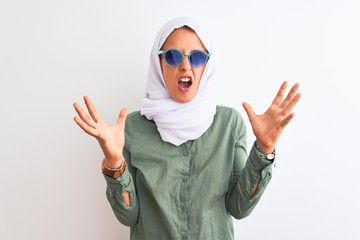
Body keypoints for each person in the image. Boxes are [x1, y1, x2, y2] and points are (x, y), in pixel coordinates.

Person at [73, 17, 301, 240]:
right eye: (172, 56)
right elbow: (128, 216)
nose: (185, 65)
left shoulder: (228, 124)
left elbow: (239, 208)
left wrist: (264, 148)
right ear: (158, 63)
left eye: (197, 57)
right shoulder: (132, 127)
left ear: (207, 65)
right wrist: (114, 163)